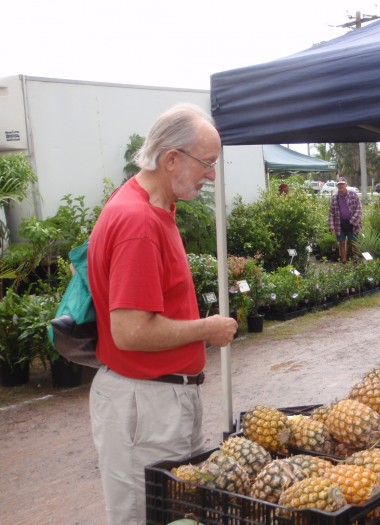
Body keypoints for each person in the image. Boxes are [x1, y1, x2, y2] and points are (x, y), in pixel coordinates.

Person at [87, 104, 238, 525]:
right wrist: (206, 329)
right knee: (146, 517)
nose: (211, 175)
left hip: (157, 400)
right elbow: (131, 332)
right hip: (145, 405)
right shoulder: (138, 223)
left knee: (175, 515)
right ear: (172, 159)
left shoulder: (153, 208)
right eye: (207, 164)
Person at [328, 176, 362, 263]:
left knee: (354, 243)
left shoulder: (353, 195)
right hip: (340, 224)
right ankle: (344, 261)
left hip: (352, 223)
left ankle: (356, 260)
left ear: (346, 185)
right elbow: (331, 213)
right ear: (337, 186)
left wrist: (353, 221)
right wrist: (331, 225)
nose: (341, 186)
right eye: (339, 185)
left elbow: (359, 209)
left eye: (342, 184)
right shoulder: (335, 198)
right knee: (342, 242)